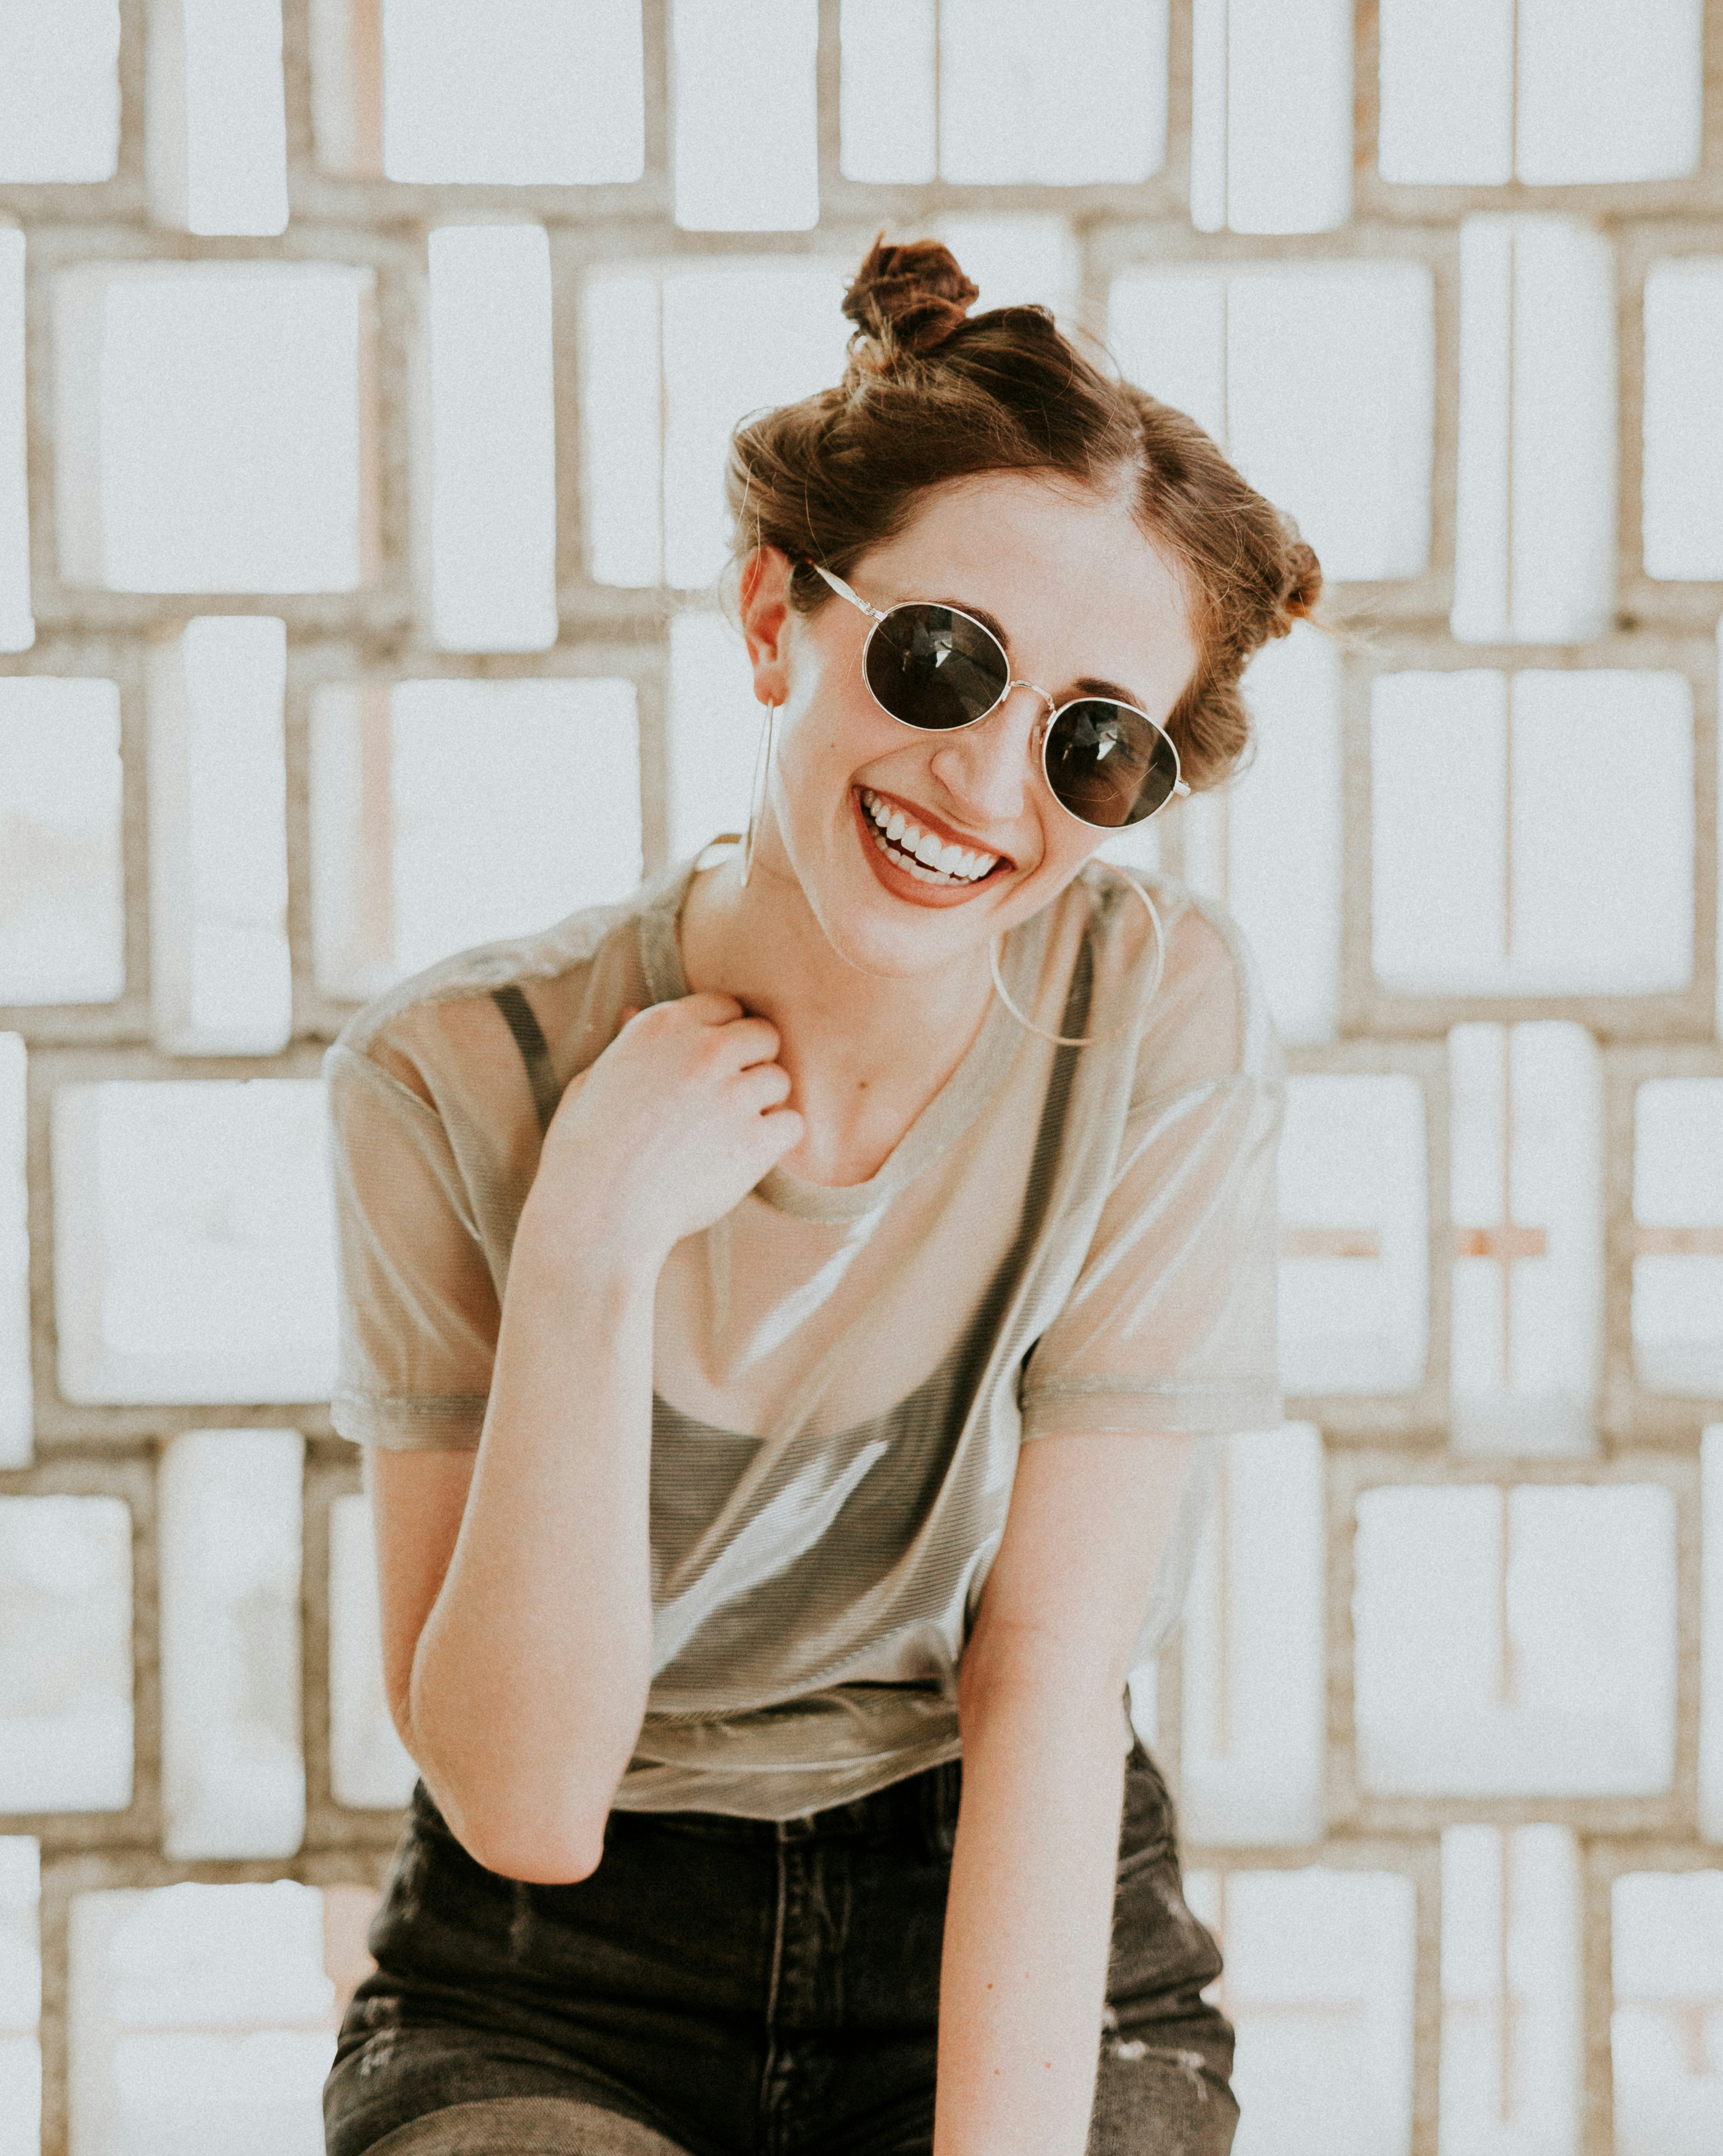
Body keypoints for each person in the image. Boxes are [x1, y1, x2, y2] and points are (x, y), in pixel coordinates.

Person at [321, 236, 1320, 2156]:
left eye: (1092, 741)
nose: (982, 779)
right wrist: (589, 1253)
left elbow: (1042, 1670)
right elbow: (524, 1804)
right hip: (563, 1959)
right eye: (943, 656)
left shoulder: (1148, 1013)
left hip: (1006, 1887)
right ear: (777, 612)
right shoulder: (451, 1077)